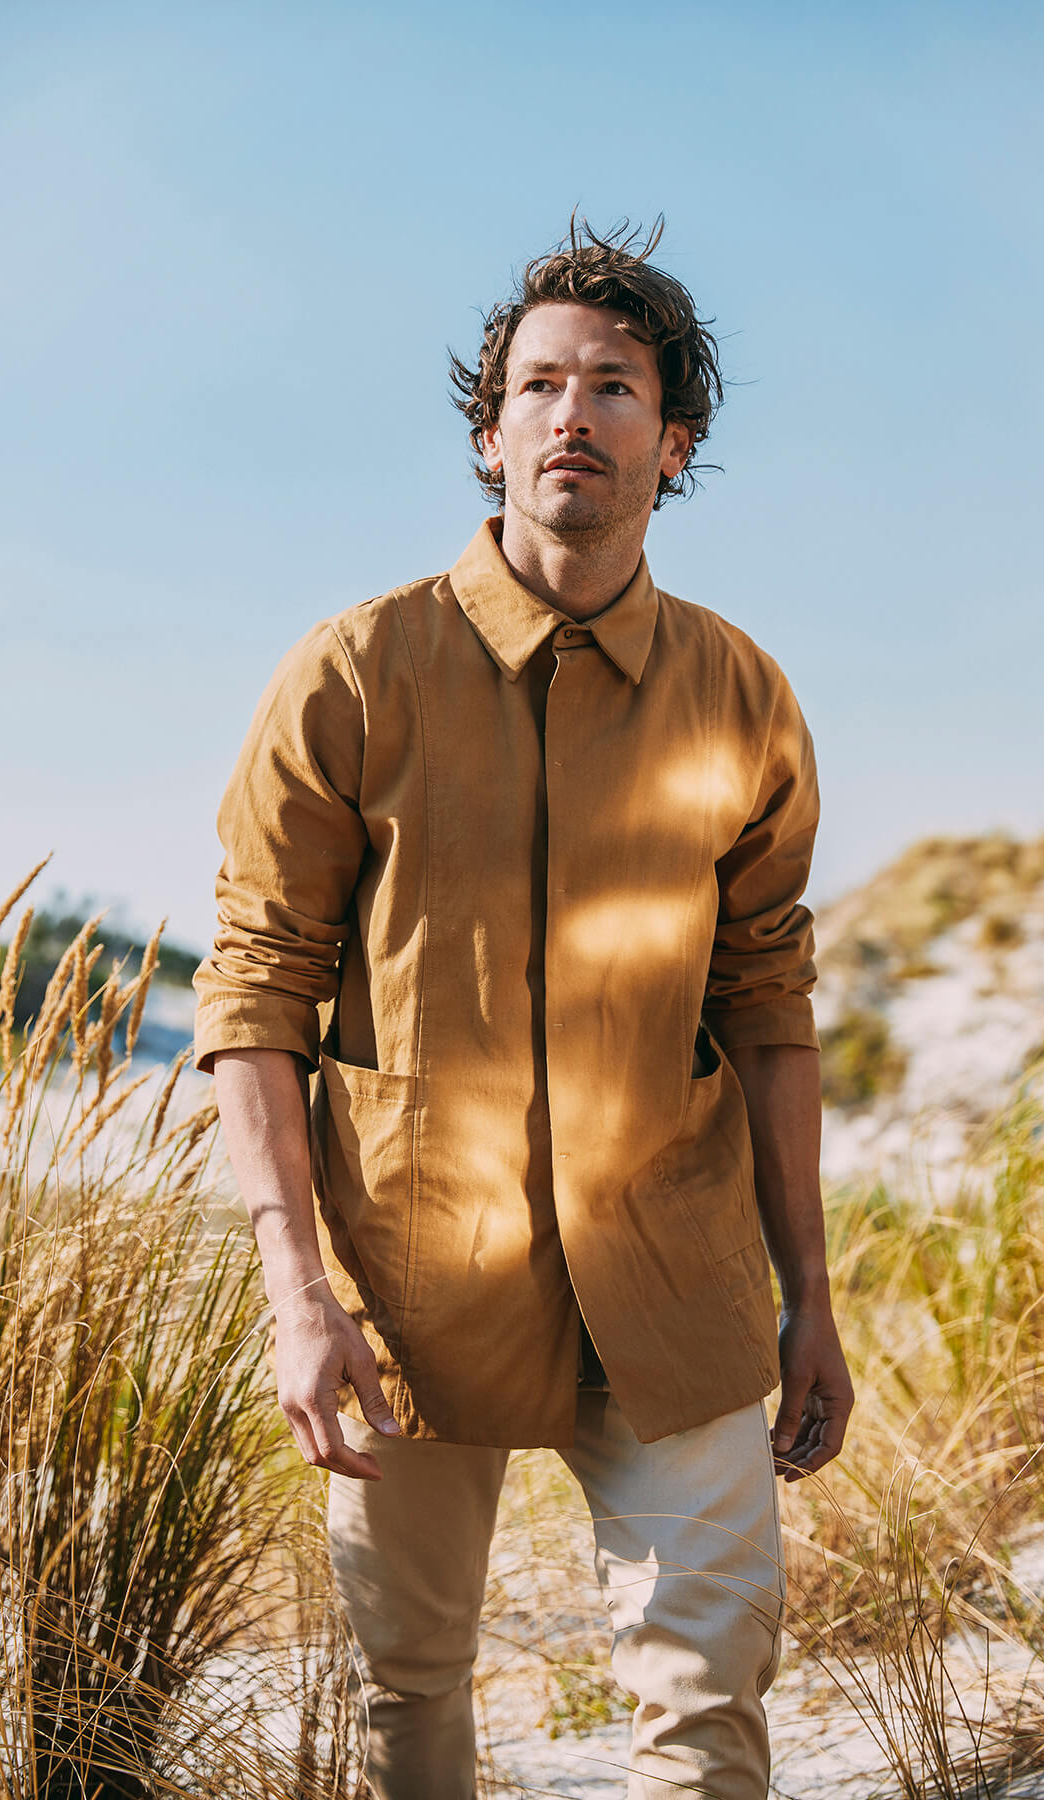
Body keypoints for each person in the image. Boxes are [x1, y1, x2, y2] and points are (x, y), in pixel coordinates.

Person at [193, 217, 854, 1800]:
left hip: (675, 1266)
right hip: (413, 1273)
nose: (574, 414)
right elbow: (257, 992)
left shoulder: (742, 693)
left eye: (615, 386)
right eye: (538, 385)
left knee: (708, 1695)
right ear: (489, 434)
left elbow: (769, 1000)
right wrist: (299, 1294)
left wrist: (811, 1290)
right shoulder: (357, 671)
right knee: (409, 1684)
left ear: (673, 443)